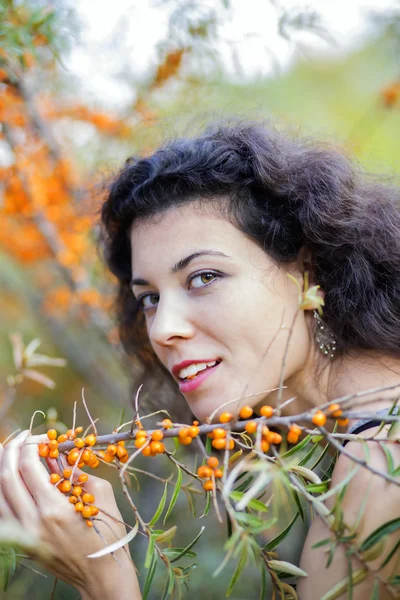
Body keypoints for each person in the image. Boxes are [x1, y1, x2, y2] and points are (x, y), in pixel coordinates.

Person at [0, 121, 399, 599]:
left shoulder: (381, 470)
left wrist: (105, 583)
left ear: (305, 270)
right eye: (148, 298)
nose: (163, 328)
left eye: (203, 276)